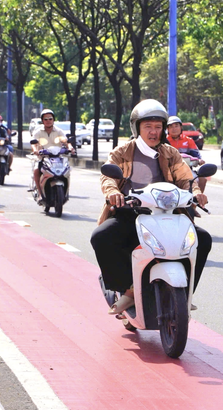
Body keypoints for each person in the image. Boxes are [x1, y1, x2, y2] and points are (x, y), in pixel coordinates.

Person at [90, 99, 212, 315]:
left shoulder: (169, 153)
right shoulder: (122, 151)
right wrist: (113, 193)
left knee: (202, 239)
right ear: (136, 127)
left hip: (167, 214)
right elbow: (107, 177)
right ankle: (126, 288)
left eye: (158, 127)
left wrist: (196, 192)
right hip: (130, 214)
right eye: (148, 127)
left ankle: (185, 291)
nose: (154, 132)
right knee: (101, 237)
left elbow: (186, 178)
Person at [31, 109, 74, 202]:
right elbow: (33, 144)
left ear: (53, 120)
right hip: (43, 158)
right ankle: (40, 194)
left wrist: (70, 148)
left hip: (58, 158)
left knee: (67, 170)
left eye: (50, 118)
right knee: (36, 171)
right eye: (45, 119)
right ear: (42, 121)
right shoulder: (38, 132)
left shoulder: (59, 131)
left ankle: (66, 192)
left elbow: (65, 141)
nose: (48, 121)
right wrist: (35, 150)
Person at [166, 115, 207, 192]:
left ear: (181, 127)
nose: (174, 129)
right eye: (171, 126)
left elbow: (196, 155)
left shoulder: (188, 140)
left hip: (186, 169)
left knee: (202, 179)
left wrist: (200, 160)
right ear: (167, 129)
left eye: (176, 126)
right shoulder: (164, 141)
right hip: (168, 170)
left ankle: (196, 201)